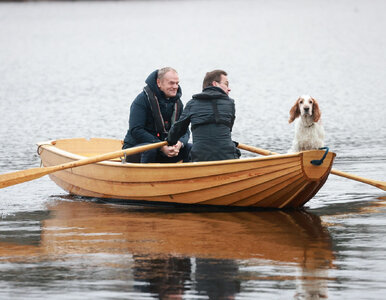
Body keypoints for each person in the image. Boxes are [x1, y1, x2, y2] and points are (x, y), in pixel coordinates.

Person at [166, 69, 240, 162]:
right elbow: (228, 129)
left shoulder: (192, 103)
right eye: (226, 84)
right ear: (215, 84)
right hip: (228, 157)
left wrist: (170, 142)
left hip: (200, 158)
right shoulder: (230, 103)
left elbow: (178, 129)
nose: (229, 88)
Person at [122, 67, 191, 163]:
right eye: (171, 83)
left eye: (177, 83)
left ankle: (187, 177)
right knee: (150, 149)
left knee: (191, 148)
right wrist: (161, 146)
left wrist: (179, 144)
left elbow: (185, 130)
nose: (175, 87)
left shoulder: (178, 103)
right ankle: (145, 177)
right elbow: (136, 130)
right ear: (159, 83)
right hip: (136, 149)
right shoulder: (142, 100)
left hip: (164, 149)